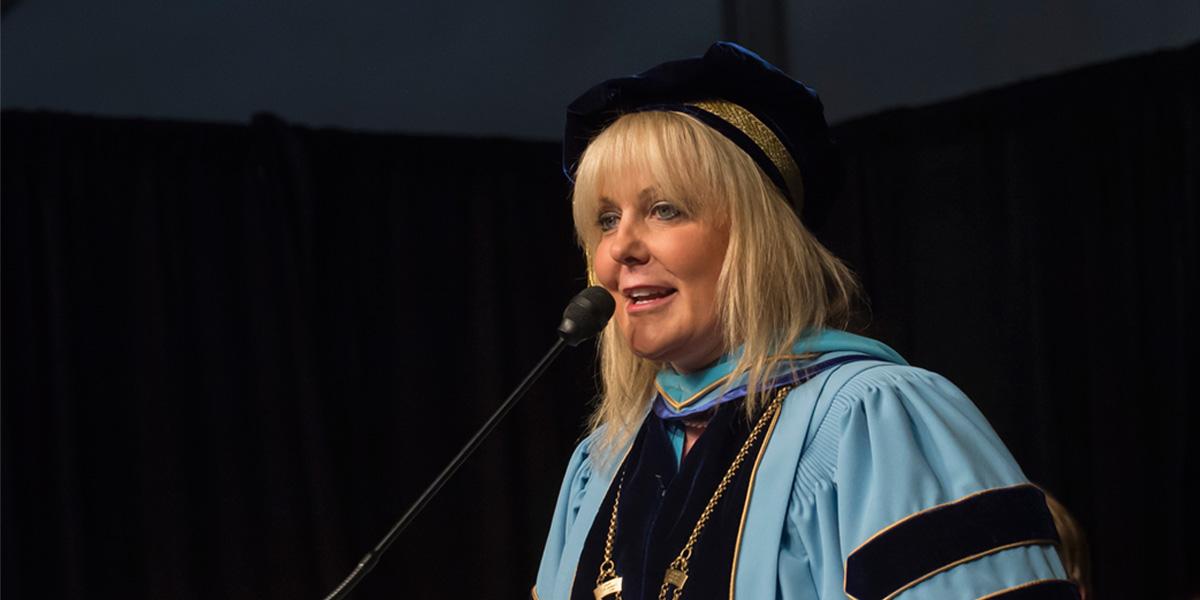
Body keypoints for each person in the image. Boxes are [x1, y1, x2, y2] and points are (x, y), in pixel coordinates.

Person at [534, 42, 1079, 600]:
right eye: (605, 219)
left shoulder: (876, 423)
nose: (621, 246)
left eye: (664, 209)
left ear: (757, 241)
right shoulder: (600, 470)